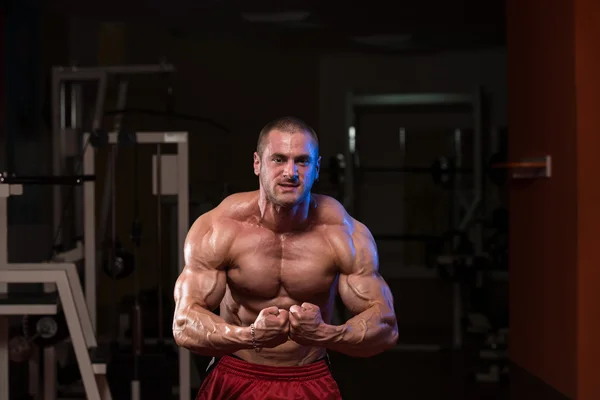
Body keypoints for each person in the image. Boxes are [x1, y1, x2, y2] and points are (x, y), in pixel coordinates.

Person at [173, 116, 399, 400]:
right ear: (257, 163)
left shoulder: (344, 233)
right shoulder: (220, 228)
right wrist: (251, 336)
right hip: (236, 374)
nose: (290, 172)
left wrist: (325, 334)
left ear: (316, 168)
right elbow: (183, 325)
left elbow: (387, 328)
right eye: (278, 159)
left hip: (309, 376)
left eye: (302, 161)